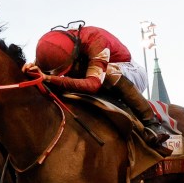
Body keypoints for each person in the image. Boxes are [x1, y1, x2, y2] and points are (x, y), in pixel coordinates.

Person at [24, 24, 173, 152]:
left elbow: (93, 84)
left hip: (131, 73)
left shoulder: (96, 40)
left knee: (107, 73)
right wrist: (29, 68)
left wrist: (50, 78)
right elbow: (42, 68)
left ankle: (151, 123)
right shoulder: (52, 43)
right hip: (95, 73)